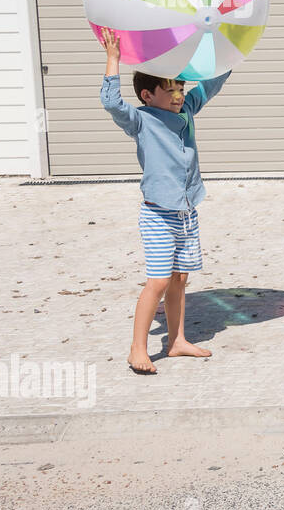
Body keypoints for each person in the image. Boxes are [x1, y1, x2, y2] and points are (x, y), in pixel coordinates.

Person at [98, 27, 231, 374]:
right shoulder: (140, 120)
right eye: (169, 89)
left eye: (180, 87)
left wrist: (229, 51)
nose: (177, 94)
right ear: (147, 93)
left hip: (187, 213)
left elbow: (211, 84)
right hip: (158, 215)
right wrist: (113, 59)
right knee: (157, 281)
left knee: (180, 279)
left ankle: (176, 342)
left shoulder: (186, 109)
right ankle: (137, 349)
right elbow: (111, 102)